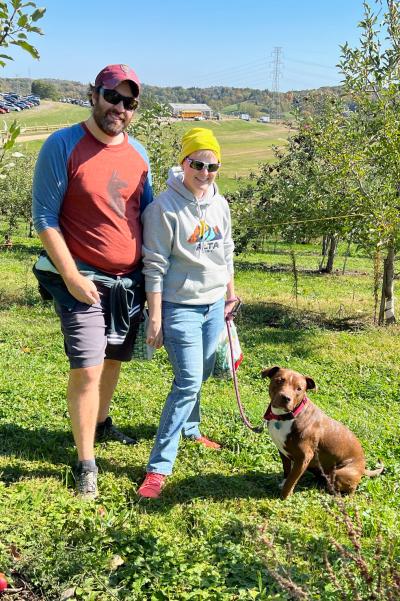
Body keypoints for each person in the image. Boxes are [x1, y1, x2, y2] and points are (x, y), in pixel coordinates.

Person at [32, 64, 153, 500]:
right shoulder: (62, 145)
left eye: (128, 102)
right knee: (87, 366)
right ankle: (86, 463)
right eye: (111, 96)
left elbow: (149, 213)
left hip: (129, 283)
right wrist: (70, 274)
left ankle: (101, 424)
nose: (118, 107)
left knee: (114, 359)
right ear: (93, 94)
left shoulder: (139, 153)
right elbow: (44, 216)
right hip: (80, 278)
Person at [138, 127, 237, 499]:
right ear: (184, 162)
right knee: (188, 381)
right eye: (198, 164)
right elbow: (155, 266)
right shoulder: (163, 209)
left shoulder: (220, 204)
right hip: (180, 308)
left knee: (205, 372)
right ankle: (158, 467)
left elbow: (225, 250)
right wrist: (157, 317)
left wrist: (230, 294)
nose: (205, 172)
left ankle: (191, 428)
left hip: (214, 305)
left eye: (213, 166)